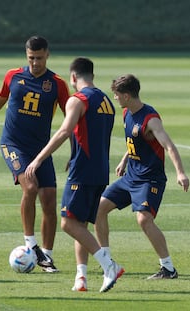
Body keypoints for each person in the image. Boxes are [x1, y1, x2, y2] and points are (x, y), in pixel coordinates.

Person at [0, 36, 70, 272]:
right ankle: (30, 244)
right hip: (13, 145)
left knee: (49, 200)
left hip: (41, 150)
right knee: (31, 187)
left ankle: (47, 257)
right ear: (26, 55)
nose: (35, 63)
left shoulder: (56, 84)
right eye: (31, 58)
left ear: (48, 55)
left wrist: (75, 151)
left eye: (40, 58)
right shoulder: (13, 76)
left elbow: (70, 118)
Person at [26, 57, 124, 293]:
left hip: (83, 171)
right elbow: (87, 133)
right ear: (92, 75)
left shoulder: (77, 100)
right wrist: (74, 153)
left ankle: (109, 265)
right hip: (100, 170)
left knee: (68, 223)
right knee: (80, 224)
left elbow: (65, 130)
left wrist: (39, 159)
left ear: (72, 77)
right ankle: (81, 277)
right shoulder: (106, 101)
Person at [95, 74, 190, 280]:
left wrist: (181, 172)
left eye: (117, 95)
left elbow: (168, 145)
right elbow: (134, 140)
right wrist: (125, 160)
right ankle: (106, 262)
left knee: (144, 219)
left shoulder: (150, 119)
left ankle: (168, 268)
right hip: (131, 177)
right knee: (99, 208)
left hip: (150, 179)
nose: (116, 99)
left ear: (127, 95)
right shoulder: (127, 113)